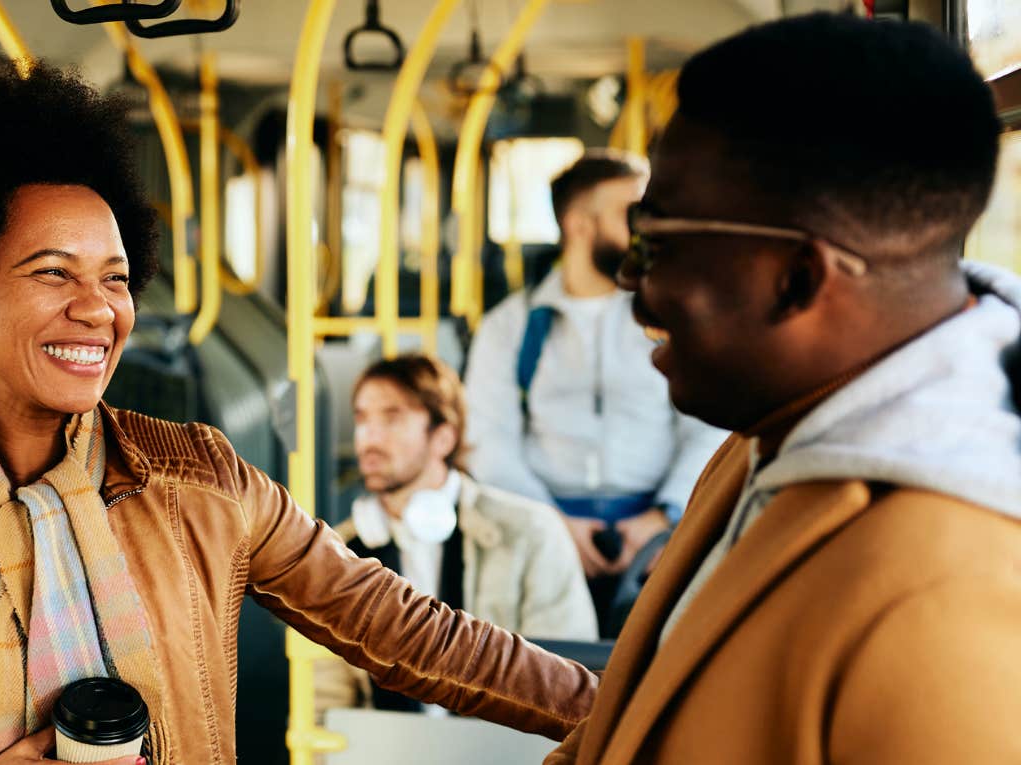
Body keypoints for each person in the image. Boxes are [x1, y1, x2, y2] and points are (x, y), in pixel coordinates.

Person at [0, 62, 597, 765]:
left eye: (115, 278)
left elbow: (407, 631)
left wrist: (617, 703)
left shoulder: (201, 480)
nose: (98, 310)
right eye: (53, 273)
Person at [547, 13, 1021, 765]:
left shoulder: (950, 603)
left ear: (797, 278)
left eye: (654, 241)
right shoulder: (764, 440)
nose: (630, 280)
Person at [463, 151, 727, 627]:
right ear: (579, 225)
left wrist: (666, 517)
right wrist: (550, 525)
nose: (648, 227)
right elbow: (489, 438)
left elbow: (708, 421)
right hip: (541, 533)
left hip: (660, 531)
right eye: (633, 214)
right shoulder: (511, 327)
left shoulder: (672, 320)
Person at [316, 354, 597, 715]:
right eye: (362, 419)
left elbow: (565, 686)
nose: (368, 438)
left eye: (391, 418)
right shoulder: (338, 555)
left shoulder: (530, 532)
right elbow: (323, 705)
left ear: (443, 437)